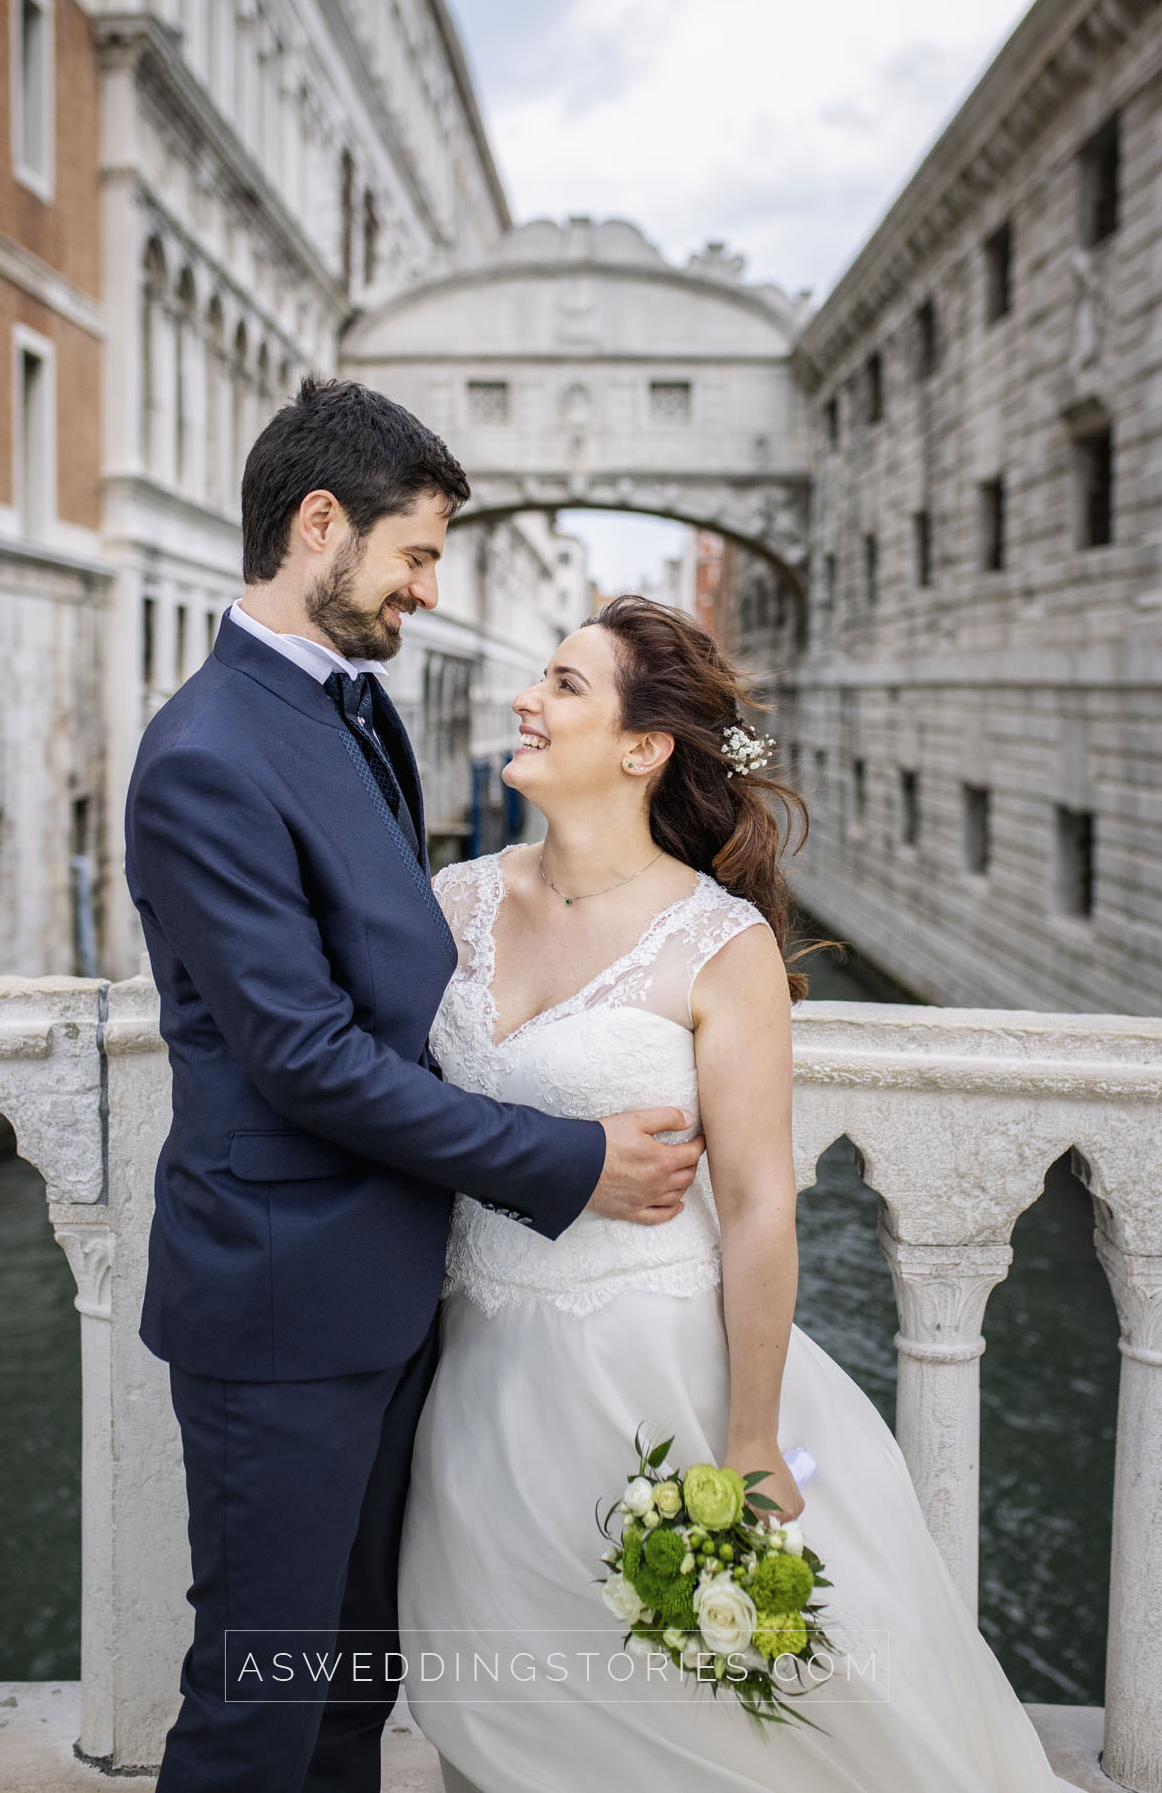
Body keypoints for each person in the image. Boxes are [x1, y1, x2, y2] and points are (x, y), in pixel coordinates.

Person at [398, 594, 1083, 1793]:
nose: (525, 697)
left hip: (650, 1372)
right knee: (493, 1698)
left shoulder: (719, 945)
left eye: (562, 683)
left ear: (640, 746)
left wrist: (753, 1439)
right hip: (471, 1369)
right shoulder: (451, 902)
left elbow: (764, 1201)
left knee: (711, 1722)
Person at [123, 380, 702, 1793]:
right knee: (257, 1701)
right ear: (318, 526)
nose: (430, 590)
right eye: (416, 555)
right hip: (281, 1314)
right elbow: (306, 1057)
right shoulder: (204, 756)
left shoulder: (347, 710)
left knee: (347, 1695)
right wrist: (564, 1160)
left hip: (391, 1296)